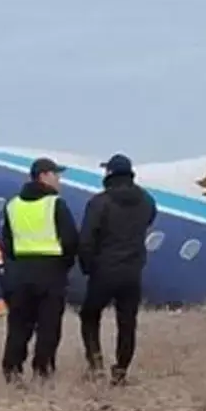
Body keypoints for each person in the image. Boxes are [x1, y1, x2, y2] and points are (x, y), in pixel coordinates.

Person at [77, 154, 157, 385]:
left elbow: (87, 239)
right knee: (127, 322)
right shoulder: (146, 200)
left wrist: (87, 266)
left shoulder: (99, 202)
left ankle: (96, 363)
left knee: (90, 315)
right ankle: (121, 370)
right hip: (132, 271)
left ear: (109, 174)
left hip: (103, 270)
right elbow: (149, 220)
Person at [1, 157, 80, 382]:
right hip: (50, 272)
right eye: (56, 175)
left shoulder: (12, 205)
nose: (59, 180)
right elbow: (70, 239)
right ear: (44, 176)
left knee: (18, 324)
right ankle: (42, 369)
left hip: (19, 272)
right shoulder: (55, 204)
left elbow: (6, 241)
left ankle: (12, 369)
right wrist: (64, 264)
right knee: (48, 325)